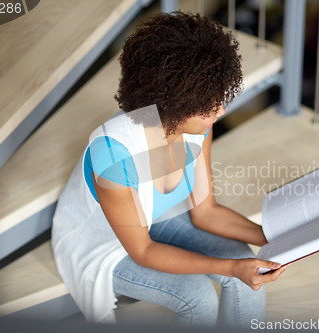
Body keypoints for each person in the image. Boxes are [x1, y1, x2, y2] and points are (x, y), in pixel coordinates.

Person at [51, 11, 289, 328]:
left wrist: (275, 239)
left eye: (219, 96)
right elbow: (143, 250)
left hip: (155, 220)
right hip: (110, 245)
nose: (220, 109)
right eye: (208, 102)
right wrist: (229, 268)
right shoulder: (114, 154)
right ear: (173, 100)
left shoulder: (198, 128)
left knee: (246, 261)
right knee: (198, 297)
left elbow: (206, 212)